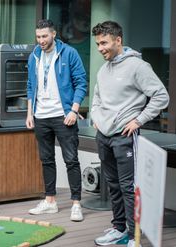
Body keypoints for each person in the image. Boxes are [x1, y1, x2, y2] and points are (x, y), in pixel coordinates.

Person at [91, 21, 169, 247]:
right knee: (112, 184)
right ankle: (118, 228)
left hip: (125, 137)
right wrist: (96, 117)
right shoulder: (104, 69)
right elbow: (96, 98)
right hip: (104, 135)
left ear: (118, 40)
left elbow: (161, 96)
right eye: (97, 43)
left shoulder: (138, 66)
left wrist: (139, 120)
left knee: (127, 187)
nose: (100, 48)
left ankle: (133, 235)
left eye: (104, 43)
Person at [25, 19, 87, 222]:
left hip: (63, 116)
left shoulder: (69, 53)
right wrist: (29, 113)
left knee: (71, 160)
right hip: (41, 115)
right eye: (38, 36)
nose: (41, 40)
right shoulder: (34, 55)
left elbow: (81, 82)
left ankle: (76, 204)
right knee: (47, 160)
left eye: (44, 36)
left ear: (54, 34)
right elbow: (30, 85)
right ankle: (50, 201)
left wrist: (73, 110)